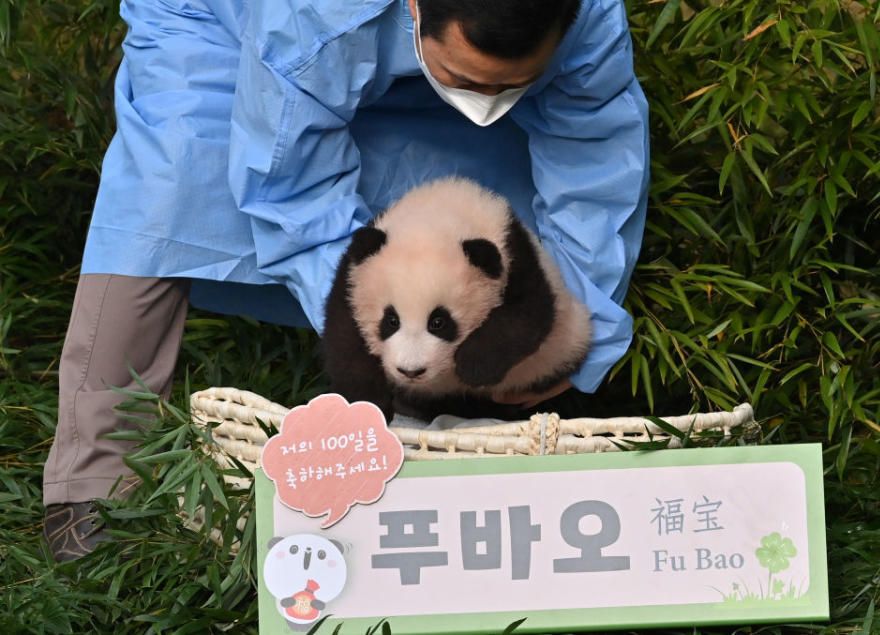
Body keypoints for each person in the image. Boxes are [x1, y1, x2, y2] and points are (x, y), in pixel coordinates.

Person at [42, 0, 649, 562]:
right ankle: (97, 483)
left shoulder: (589, 16)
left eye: (509, 85)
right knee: (169, 189)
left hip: (384, 46)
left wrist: (566, 332)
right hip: (229, 23)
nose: (486, 99)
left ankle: (432, 446)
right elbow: (294, 192)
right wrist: (374, 339)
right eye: (467, 78)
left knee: (480, 208)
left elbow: (595, 163)